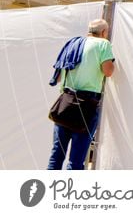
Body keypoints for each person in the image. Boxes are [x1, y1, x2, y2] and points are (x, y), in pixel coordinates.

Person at [47, 18, 115, 170]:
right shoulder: (103, 44)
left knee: (57, 155)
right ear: (104, 32)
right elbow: (108, 71)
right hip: (86, 105)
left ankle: (48, 190)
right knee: (76, 160)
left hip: (65, 102)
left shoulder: (73, 44)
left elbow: (58, 76)